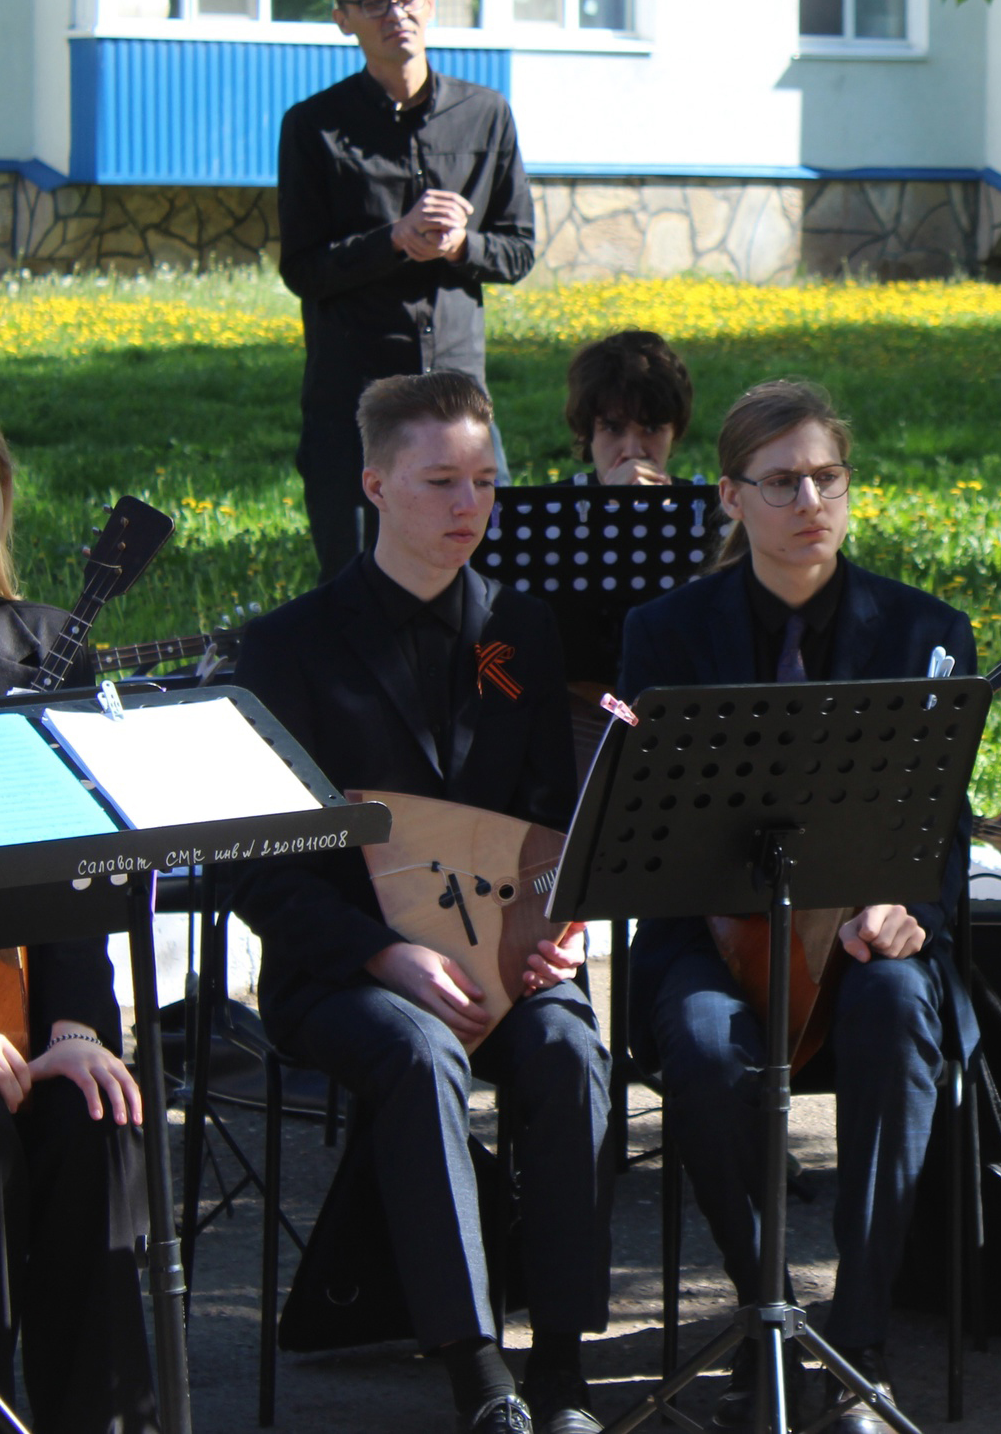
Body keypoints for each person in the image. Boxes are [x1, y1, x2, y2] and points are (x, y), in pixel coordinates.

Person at [229, 372, 605, 1434]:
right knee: (418, 1050)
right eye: (440, 481)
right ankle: (478, 1371)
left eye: (485, 482)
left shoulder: (520, 633)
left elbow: (548, 828)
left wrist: (543, 939)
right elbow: (256, 868)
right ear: (374, 485)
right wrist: (383, 957)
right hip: (345, 971)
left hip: (501, 957)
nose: (467, 507)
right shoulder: (289, 646)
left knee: (568, 1049)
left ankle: (565, 1367)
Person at [617, 380, 977, 1433]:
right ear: (730, 498)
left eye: (828, 477)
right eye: (782, 483)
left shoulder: (922, 629)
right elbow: (650, 829)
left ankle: (858, 1345)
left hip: (863, 941)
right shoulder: (666, 634)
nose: (811, 501)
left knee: (897, 1010)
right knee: (699, 1039)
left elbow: (941, 823)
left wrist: (907, 904)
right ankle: (763, 1316)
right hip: (708, 936)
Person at [0, 383, 158, 1432]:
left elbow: (85, 871)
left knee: (96, 1114)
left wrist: (74, 1029)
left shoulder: (42, 654)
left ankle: (100, 1417)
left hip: (34, 1014)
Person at [280, 0, 534, 583]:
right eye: (372, 1)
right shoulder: (314, 127)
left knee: (488, 581)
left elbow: (519, 249)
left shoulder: (485, 115)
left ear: (430, 1)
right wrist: (393, 239)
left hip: (459, 395)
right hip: (354, 402)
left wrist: (459, 247)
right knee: (354, 587)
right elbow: (303, 270)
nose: (395, 12)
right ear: (344, 18)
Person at [565, 330, 697, 486]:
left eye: (652, 429)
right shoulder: (545, 507)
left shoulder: (707, 508)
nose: (633, 452)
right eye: (613, 429)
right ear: (585, 433)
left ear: (674, 432)